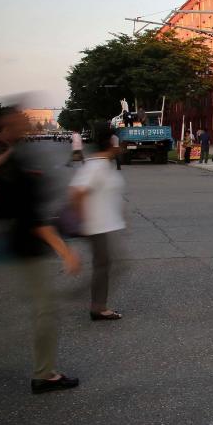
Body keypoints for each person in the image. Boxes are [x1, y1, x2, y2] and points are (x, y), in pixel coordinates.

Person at [0, 109, 81, 393]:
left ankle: (45, 371)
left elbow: (3, 203)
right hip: (26, 245)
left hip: (19, 242)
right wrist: (64, 251)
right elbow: (30, 217)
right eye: (20, 122)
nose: (27, 125)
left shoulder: (11, 156)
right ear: (5, 128)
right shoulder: (12, 161)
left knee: (43, 310)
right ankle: (44, 375)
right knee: (45, 311)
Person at [70, 126, 126, 320]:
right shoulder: (95, 166)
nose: (121, 148)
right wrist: (83, 221)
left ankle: (97, 304)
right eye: (119, 144)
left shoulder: (103, 164)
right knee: (105, 265)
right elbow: (76, 193)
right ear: (112, 144)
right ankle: (97, 307)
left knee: (108, 264)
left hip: (105, 225)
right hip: (96, 226)